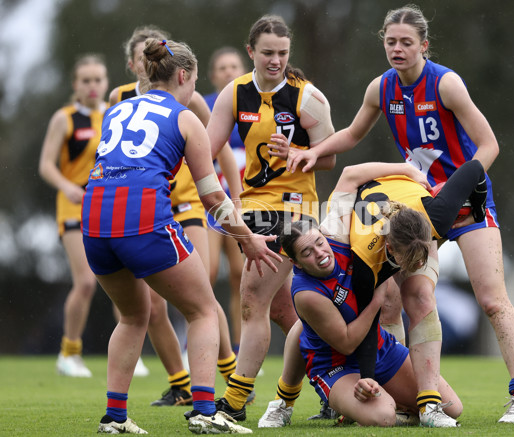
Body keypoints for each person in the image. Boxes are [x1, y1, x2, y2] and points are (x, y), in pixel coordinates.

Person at [287, 5, 514, 423]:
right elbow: (351, 134)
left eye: (406, 42)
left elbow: (489, 146)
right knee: (402, 298)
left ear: (424, 45)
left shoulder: (447, 84)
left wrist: (452, 186)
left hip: (465, 201)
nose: (397, 49)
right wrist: (313, 152)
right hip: (415, 208)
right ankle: (414, 399)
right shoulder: (381, 88)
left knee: (492, 299)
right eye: (391, 42)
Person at [82, 37, 280, 434]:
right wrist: (247, 238)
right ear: (185, 76)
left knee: (134, 316)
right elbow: (212, 197)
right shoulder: (185, 116)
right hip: (141, 221)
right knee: (205, 311)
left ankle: (115, 418)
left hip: (94, 221)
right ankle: (205, 412)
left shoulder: (117, 109)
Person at [258, 159, 486, 428]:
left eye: (319, 244)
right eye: (307, 253)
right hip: (335, 361)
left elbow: (475, 168)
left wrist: (410, 171)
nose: (320, 254)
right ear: (295, 262)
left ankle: (423, 403)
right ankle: (284, 401)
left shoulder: (431, 218)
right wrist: (377, 300)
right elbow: (347, 343)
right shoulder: (335, 268)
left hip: (377, 346)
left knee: (453, 409)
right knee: (382, 415)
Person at [206, 15, 336, 420]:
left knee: (251, 301)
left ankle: (236, 400)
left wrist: (298, 153)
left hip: (294, 211)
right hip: (251, 209)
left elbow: (330, 156)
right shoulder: (234, 93)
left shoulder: (307, 97)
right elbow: (205, 151)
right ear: (251, 52)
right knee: (283, 312)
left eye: (282, 53)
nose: (276, 60)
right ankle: (333, 382)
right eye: (267, 53)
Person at [109, 25, 246, 406]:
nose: (145, 63)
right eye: (140, 57)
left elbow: (214, 149)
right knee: (153, 308)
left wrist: (236, 198)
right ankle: (183, 385)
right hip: (144, 208)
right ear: (134, 63)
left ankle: (232, 378)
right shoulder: (119, 98)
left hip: (181, 204)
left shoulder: (185, 103)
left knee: (198, 292)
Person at [39, 54, 108, 378]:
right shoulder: (64, 118)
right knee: (85, 282)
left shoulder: (114, 114)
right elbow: (46, 165)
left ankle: (130, 352)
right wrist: (66, 186)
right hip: (73, 207)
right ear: (75, 85)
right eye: (86, 80)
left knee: (126, 277)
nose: (93, 86)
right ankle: (69, 352)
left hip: (108, 205)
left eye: (98, 79)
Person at [203, 47, 248, 350]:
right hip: (209, 199)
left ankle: (242, 344)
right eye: (222, 67)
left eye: (234, 66)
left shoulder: (254, 106)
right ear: (212, 75)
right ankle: (197, 341)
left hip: (243, 200)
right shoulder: (203, 106)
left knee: (239, 275)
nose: (229, 71)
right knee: (205, 273)